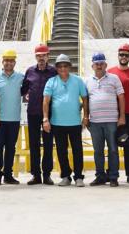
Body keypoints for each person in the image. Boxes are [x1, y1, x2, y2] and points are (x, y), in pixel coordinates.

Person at [43, 54, 88, 187]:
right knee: (61, 151)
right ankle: (66, 176)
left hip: (74, 123)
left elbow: (85, 98)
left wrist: (86, 116)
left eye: (65, 66)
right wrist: (45, 119)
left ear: (70, 67)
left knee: (77, 150)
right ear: (56, 68)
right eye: (60, 66)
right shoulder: (51, 82)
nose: (63, 68)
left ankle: (79, 177)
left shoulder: (78, 81)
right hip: (57, 123)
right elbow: (46, 101)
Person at [86, 52, 125, 187]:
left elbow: (121, 97)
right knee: (98, 151)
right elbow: (85, 100)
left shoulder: (114, 78)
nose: (99, 66)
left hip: (112, 121)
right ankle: (100, 176)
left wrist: (122, 117)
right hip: (95, 122)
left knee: (113, 149)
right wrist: (85, 117)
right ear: (92, 65)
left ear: (105, 65)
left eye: (101, 63)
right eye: (96, 64)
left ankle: (113, 177)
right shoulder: (88, 81)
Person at [22, 44, 57, 185]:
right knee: (34, 144)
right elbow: (23, 89)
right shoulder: (29, 71)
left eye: (43, 55)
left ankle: (47, 174)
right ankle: (36, 175)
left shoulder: (54, 72)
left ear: (48, 56)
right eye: (38, 55)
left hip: (49, 114)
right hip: (33, 113)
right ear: (35, 57)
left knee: (48, 144)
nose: (41, 58)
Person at [108, 42, 129, 184]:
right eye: (122, 54)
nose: (124, 57)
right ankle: (112, 175)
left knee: (128, 144)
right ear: (118, 55)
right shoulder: (110, 72)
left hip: (128, 113)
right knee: (112, 145)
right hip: (111, 113)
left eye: (127, 55)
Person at [0, 49, 25, 186]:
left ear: (15, 62)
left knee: (11, 148)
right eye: (6, 60)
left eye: (11, 61)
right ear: (2, 62)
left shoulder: (21, 78)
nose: (9, 63)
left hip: (14, 119)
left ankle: (8, 175)